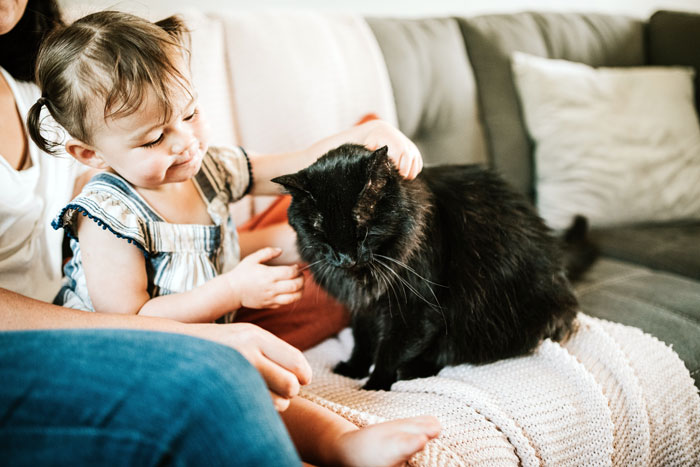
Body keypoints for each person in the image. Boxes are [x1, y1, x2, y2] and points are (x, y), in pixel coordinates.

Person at [2, 4, 440, 466]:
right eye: (153, 139)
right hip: (128, 351)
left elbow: (297, 164)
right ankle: (335, 444)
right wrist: (231, 289)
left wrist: (364, 136)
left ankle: (343, 441)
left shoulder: (208, 167)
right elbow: (137, 318)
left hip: (207, 336)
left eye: (189, 114)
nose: (184, 142)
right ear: (89, 153)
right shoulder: (106, 217)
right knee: (244, 387)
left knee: (265, 386)